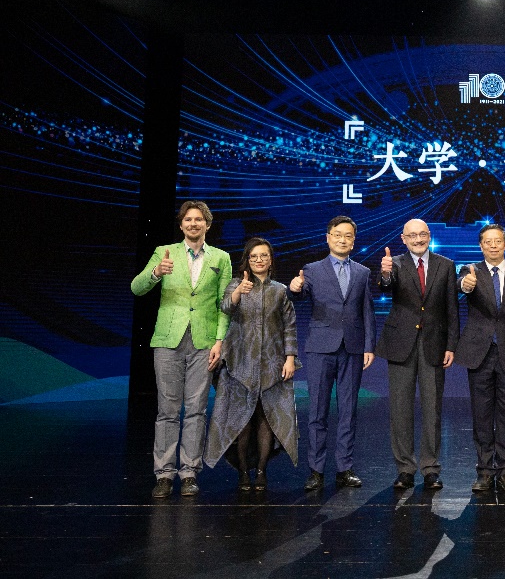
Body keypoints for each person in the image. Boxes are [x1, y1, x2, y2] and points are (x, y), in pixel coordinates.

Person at [131, 200, 232, 498]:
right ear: (181, 224)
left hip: (203, 341)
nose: (193, 224)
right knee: (167, 410)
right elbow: (137, 288)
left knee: (197, 410)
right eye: (188, 219)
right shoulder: (165, 252)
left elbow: (224, 305)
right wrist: (155, 273)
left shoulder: (221, 257)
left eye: (199, 219)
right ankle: (164, 474)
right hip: (168, 339)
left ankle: (189, 472)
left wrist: (219, 341)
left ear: (207, 225)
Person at [204, 237, 299, 491]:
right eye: (254, 256)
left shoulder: (280, 290)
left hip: (272, 364)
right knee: (242, 420)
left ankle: (261, 471)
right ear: (247, 260)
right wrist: (237, 293)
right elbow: (225, 308)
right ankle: (243, 472)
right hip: (240, 364)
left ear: (271, 260)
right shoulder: (236, 285)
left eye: (264, 256)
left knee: (266, 419)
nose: (259, 260)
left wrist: (290, 358)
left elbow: (289, 326)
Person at [289, 216, 376, 490]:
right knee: (317, 411)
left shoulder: (363, 272)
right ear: (328, 238)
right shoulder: (312, 270)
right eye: (337, 235)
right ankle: (316, 470)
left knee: (348, 411)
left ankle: (344, 468)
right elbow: (300, 294)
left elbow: (367, 312)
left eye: (348, 235)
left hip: (352, 348)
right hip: (320, 348)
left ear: (354, 240)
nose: (342, 239)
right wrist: (295, 288)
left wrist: (369, 346)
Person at [376, 219, 460, 491]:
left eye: (422, 234)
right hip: (401, 343)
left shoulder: (445, 265)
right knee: (400, 409)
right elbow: (386, 286)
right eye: (412, 235)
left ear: (429, 236)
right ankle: (405, 469)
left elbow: (451, 308)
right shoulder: (394, 263)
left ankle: (430, 468)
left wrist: (451, 345)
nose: (418, 239)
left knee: (432, 409)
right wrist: (385, 274)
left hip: (434, 344)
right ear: (403, 239)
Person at [456, 224, 505, 492]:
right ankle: (484, 471)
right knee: (481, 415)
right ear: (481, 246)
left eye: (498, 241)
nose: (493, 245)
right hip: (479, 354)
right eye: (488, 241)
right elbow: (460, 286)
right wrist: (465, 285)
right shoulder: (470, 271)